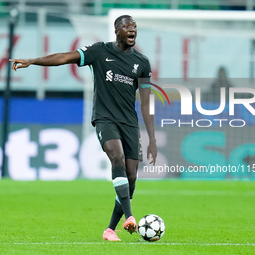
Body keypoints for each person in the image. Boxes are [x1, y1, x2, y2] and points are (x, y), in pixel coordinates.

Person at [9, 15, 157, 241]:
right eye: (127, 26)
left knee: (131, 178)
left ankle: (110, 230)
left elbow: (146, 104)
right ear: (116, 30)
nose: (132, 30)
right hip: (105, 118)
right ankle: (129, 217)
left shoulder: (142, 63)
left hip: (129, 123)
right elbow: (63, 57)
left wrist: (152, 140)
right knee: (116, 157)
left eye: (134, 27)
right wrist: (33, 60)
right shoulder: (99, 52)